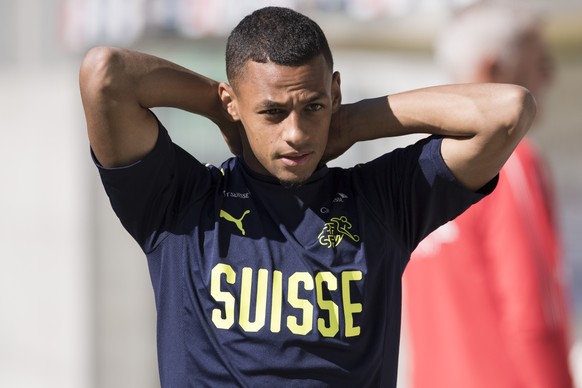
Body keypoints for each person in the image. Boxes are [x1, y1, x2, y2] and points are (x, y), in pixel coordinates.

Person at [79, 6, 535, 387]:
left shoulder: (382, 201)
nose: (296, 134)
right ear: (235, 101)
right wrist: (222, 111)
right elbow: (106, 74)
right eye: (272, 112)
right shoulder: (182, 205)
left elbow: (508, 111)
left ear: (334, 92)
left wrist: (350, 123)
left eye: (312, 107)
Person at [402, 2, 574, 388]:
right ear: (493, 70)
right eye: (539, 59)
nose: (551, 73)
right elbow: (533, 316)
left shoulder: (414, 167)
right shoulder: (510, 163)